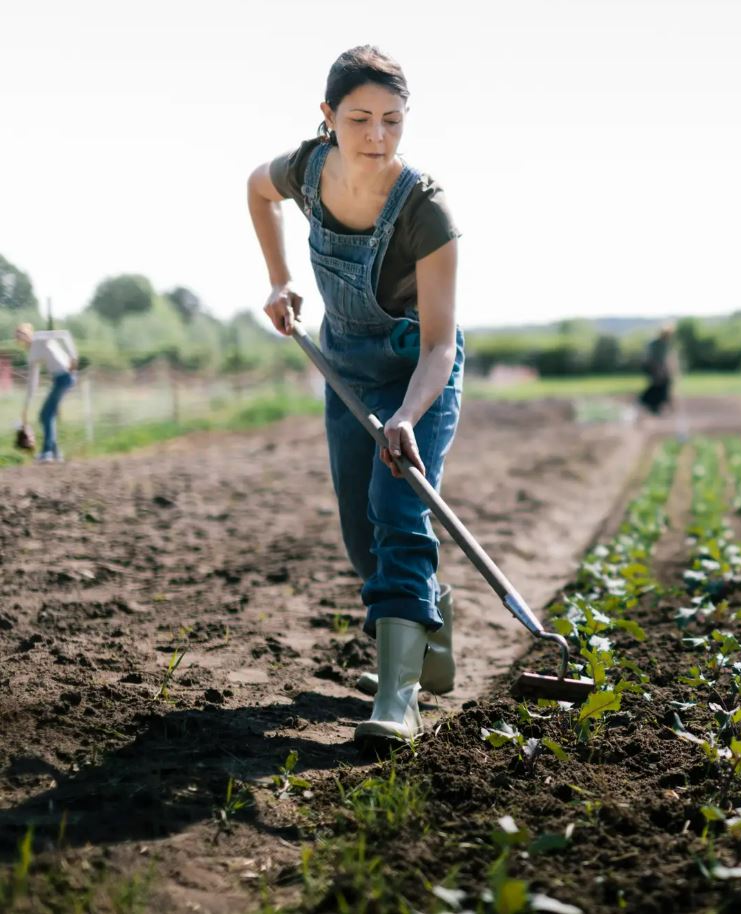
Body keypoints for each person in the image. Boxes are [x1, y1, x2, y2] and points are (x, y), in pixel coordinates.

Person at [247, 46, 463, 745]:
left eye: (393, 121)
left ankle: (398, 699)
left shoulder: (426, 212)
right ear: (328, 117)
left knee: (397, 508)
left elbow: (439, 346)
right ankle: (426, 615)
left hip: (415, 379)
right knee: (360, 531)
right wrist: (280, 278)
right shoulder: (307, 171)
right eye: (361, 119)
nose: (377, 137)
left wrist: (405, 416)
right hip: (346, 369)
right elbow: (256, 189)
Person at [15, 323, 78, 464]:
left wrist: (74, 357)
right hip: (59, 379)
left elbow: (65, 334)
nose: (22, 338)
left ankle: (47, 453)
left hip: (65, 376)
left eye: (23, 334)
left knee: (45, 415)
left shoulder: (40, 337)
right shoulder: (31, 354)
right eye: (19, 337)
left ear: (29, 333)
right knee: (47, 415)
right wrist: (26, 407)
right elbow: (33, 382)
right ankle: (55, 454)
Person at [638, 323, 675, 415]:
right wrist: (658, 370)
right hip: (650, 366)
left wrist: (666, 370)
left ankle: (656, 403)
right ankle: (646, 401)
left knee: (664, 382)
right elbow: (651, 359)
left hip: (658, 367)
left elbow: (664, 360)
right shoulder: (655, 344)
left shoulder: (665, 344)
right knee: (658, 382)